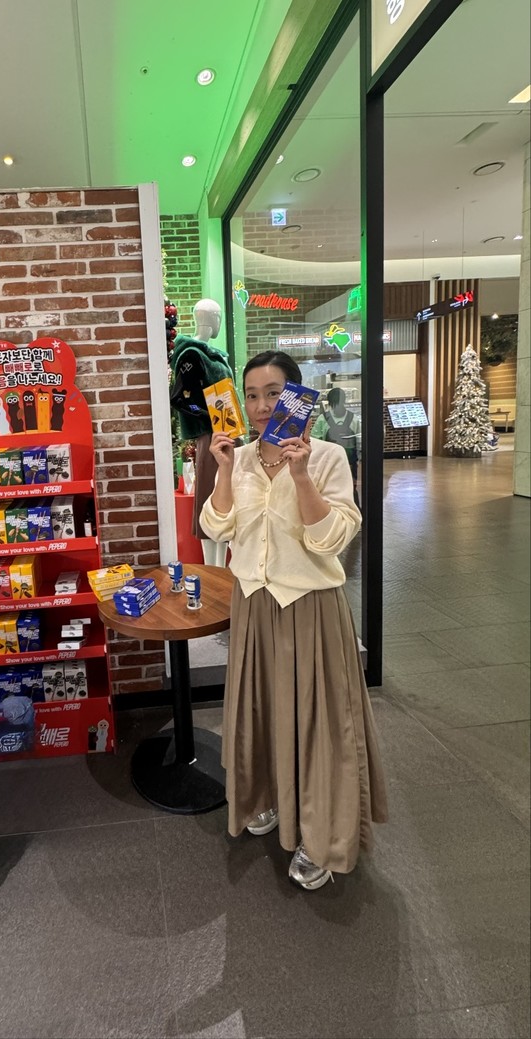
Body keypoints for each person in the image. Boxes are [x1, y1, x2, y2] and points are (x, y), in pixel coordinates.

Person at [200, 350, 387, 891]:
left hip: (309, 607)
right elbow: (216, 528)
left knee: (319, 723)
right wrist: (224, 470)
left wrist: (301, 476)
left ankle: (322, 837)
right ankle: (266, 795)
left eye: (274, 393)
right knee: (261, 710)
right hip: (254, 606)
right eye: (252, 395)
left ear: (299, 397)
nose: (262, 405)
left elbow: (331, 539)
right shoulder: (237, 457)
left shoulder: (327, 457)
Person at [170, 299, 236, 568]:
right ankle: (212, 569)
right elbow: (180, 398)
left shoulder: (212, 354)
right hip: (212, 436)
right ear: (213, 319)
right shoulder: (191, 355)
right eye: (219, 316)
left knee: (228, 497)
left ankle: (221, 568)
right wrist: (209, 416)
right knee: (212, 497)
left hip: (227, 432)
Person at [310, 387, 361, 508]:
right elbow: (359, 440)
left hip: (329, 462)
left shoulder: (323, 418)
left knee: (329, 487)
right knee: (351, 486)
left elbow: (315, 441)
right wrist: (359, 458)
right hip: (350, 461)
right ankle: (353, 511)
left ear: (329, 401)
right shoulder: (353, 418)